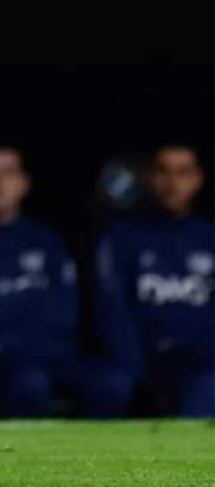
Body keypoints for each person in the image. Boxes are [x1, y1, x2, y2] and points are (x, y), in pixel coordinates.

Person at [0, 146, 127, 417]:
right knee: (29, 384)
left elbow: (66, 312)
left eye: (7, 173)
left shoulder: (46, 240)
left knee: (112, 383)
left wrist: (0, 306)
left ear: (24, 184)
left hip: (53, 351)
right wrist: (33, 298)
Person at [94, 145, 213, 417]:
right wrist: (137, 373)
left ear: (198, 179)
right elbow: (112, 311)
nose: (173, 182)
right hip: (151, 358)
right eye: (163, 172)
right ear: (149, 178)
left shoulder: (209, 238)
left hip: (205, 357)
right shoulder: (120, 237)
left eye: (183, 172)